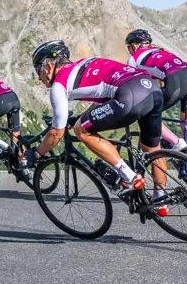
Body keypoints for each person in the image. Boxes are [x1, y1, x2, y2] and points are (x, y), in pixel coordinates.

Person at [28, 39, 170, 205]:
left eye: (38, 70)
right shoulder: (86, 63)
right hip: (152, 89)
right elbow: (102, 97)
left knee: (81, 130)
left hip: (129, 94)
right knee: (152, 149)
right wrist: (81, 116)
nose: (39, 77)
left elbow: (55, 133)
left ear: (48, 66)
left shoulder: (59, 85)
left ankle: (129, 176)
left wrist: (36, 154)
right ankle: (160, 200)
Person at [123, 28, 187, 159]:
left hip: (176, 82)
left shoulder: (134, 59)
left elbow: (138, 85)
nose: (128, 50)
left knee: (146, 113)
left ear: (135, 46)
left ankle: (176, 143)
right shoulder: (160, 51)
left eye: (128, 47)